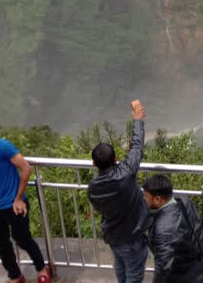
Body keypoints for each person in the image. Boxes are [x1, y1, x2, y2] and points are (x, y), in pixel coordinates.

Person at [0, 111, 51, 283]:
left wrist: (18, 198)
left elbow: (26, 168)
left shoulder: (1, 146)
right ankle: (15, 275)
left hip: (13, 203)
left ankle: (42, 268)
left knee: (23, 239)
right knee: (0, 244)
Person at [88, 101, 150, 283]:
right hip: (133, 236)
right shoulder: (127, 172)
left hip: (114, 237)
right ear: (116, 158)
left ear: (94, 164)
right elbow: (137, 147)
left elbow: (101, 208)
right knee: (134, 274)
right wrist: (137, 120)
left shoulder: (92, 188)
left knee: (121, 269)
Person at [143, 174, 203, 283]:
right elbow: (197, 227)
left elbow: (163, 268)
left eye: (146, 196)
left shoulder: (163, 229)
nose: (143, 199)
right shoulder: (183, 199)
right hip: (198, 268)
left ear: (157, 199)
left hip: (181, 276)